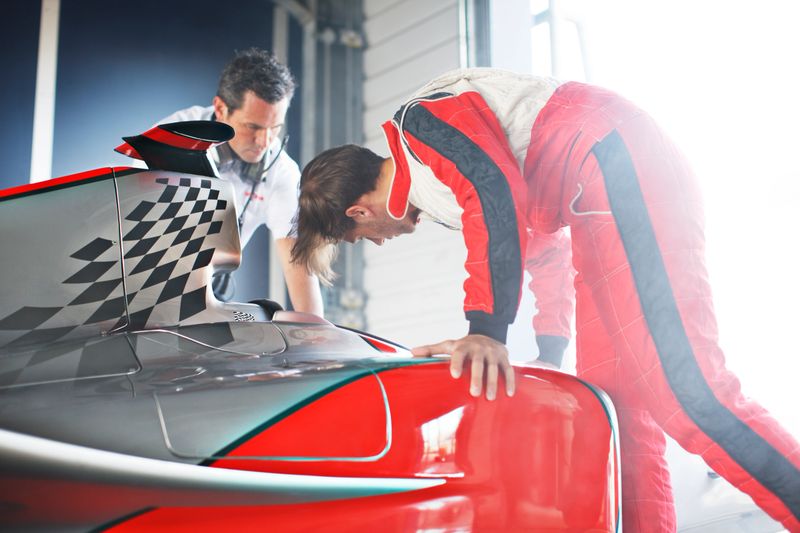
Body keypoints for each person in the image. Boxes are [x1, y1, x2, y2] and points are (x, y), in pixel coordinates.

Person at [290, 68, 800, 531]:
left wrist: (486, 331)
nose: (380, 241)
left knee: (687, 391)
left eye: (363, 238)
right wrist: (551, 349)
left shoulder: (419, 127)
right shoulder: (434, 190)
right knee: (614, 410)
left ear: (358, 213)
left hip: (618, 163)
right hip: (592, 206)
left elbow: (495, 191)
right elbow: (539, 243)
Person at [157, 47, 323, 315]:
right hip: (146, 272)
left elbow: (300, 264)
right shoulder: (171, 139)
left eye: (275, 128)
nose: (265, 142)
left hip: (207, 292)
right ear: (221, 109)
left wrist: (317, 340)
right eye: (253, 127)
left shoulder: (281, 172)